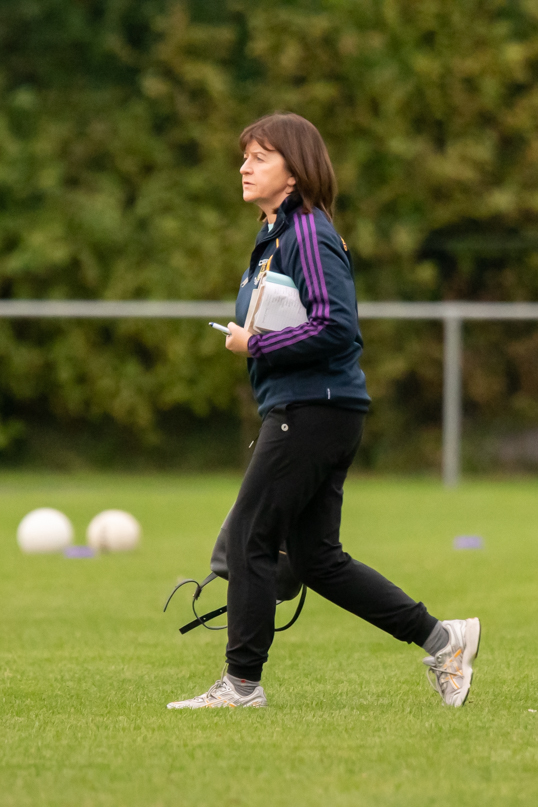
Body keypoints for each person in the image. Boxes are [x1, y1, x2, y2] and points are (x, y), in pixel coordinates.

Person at [167, 113, 480, 710]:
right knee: (317, 559)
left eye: (259, 156)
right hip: (310, 409)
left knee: (250, 540)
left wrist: (254, 343)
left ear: (294, 170)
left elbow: (337, 328)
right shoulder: (275, 237)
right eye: (245, 156)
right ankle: (445, 640)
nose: (244, 166)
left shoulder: (307, 231)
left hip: (313, 410)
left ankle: (241, 686)